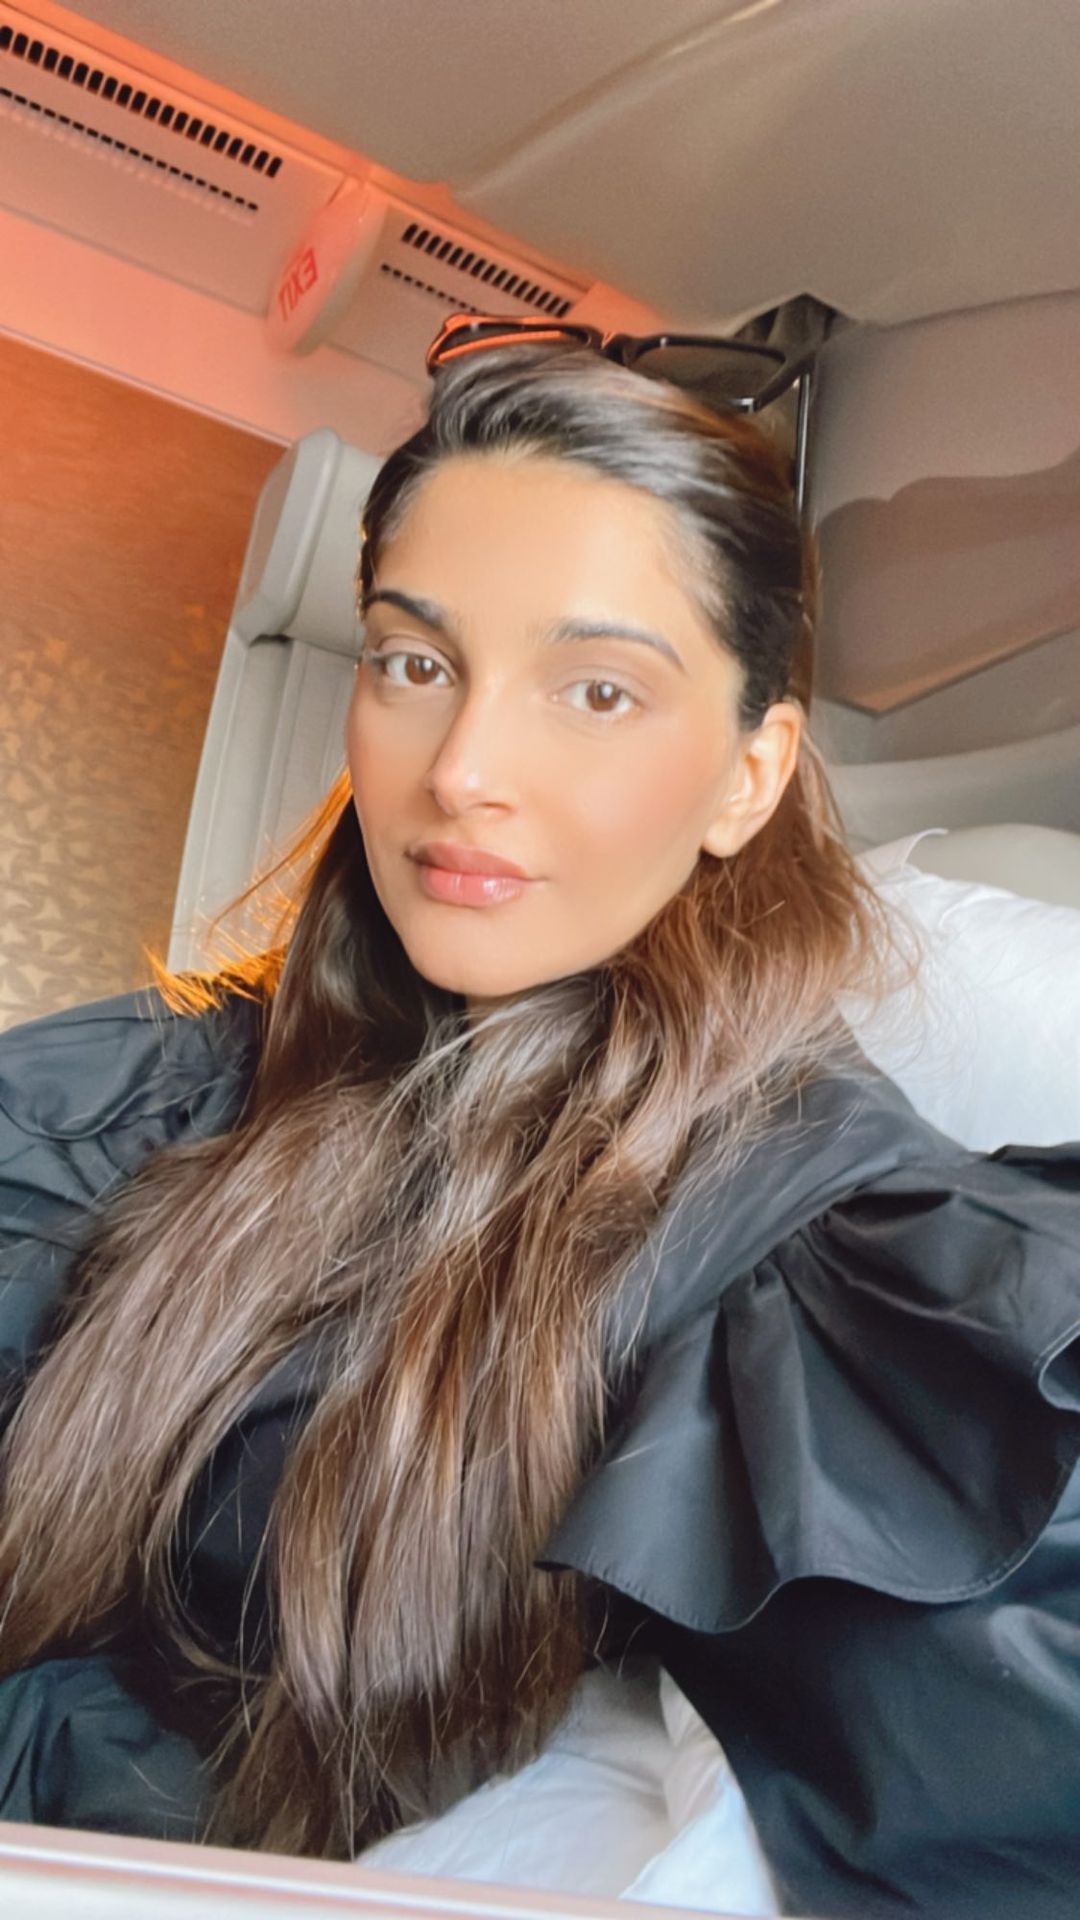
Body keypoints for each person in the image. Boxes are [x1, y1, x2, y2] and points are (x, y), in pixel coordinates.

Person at [0, 329, 1077, 1920]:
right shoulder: (147, 1093)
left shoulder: (828, 1254)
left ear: (750, 774)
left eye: (596, 691)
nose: (462, 771)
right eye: (413, 663)